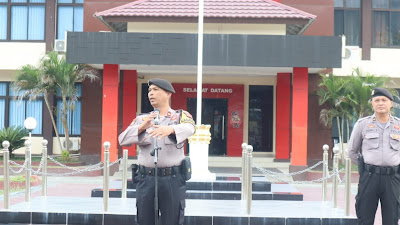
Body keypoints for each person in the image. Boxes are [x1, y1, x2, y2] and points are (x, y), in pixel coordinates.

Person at [118, 78, 195, 225]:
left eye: (155, 90)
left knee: (172, 220)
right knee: (144, 220)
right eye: (149, 91)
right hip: (146, 179)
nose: (151, 94)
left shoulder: (180, 116)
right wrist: (141, 127)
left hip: (172, 179)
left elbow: (191, 128)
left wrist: (171, 129)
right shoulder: (142, 119)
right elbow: (122, 139)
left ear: (168, 94)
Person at [348, 87, 400, 225]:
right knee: (365, 218)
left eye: (384, 100)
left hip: (392, 179)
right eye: (376, 100)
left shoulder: (398, 125)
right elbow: (352, 151)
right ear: (372, 103)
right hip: (369, 177)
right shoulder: (363, 124)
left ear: (391, 103)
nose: (380, 103)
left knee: (392, 219)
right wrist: (365, 167)